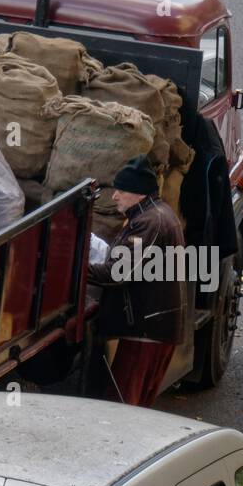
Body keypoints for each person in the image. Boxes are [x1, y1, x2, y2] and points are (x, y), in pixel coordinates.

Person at [88, 156, 186, 406]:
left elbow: (117, 274)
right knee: (136, 406)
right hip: (154, 328)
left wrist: (75, 269)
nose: (114, 196)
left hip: (146, 331)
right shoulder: (157, 215)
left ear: (139, 193)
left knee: (123, 407)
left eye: (121, 190)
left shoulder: (149, 223)